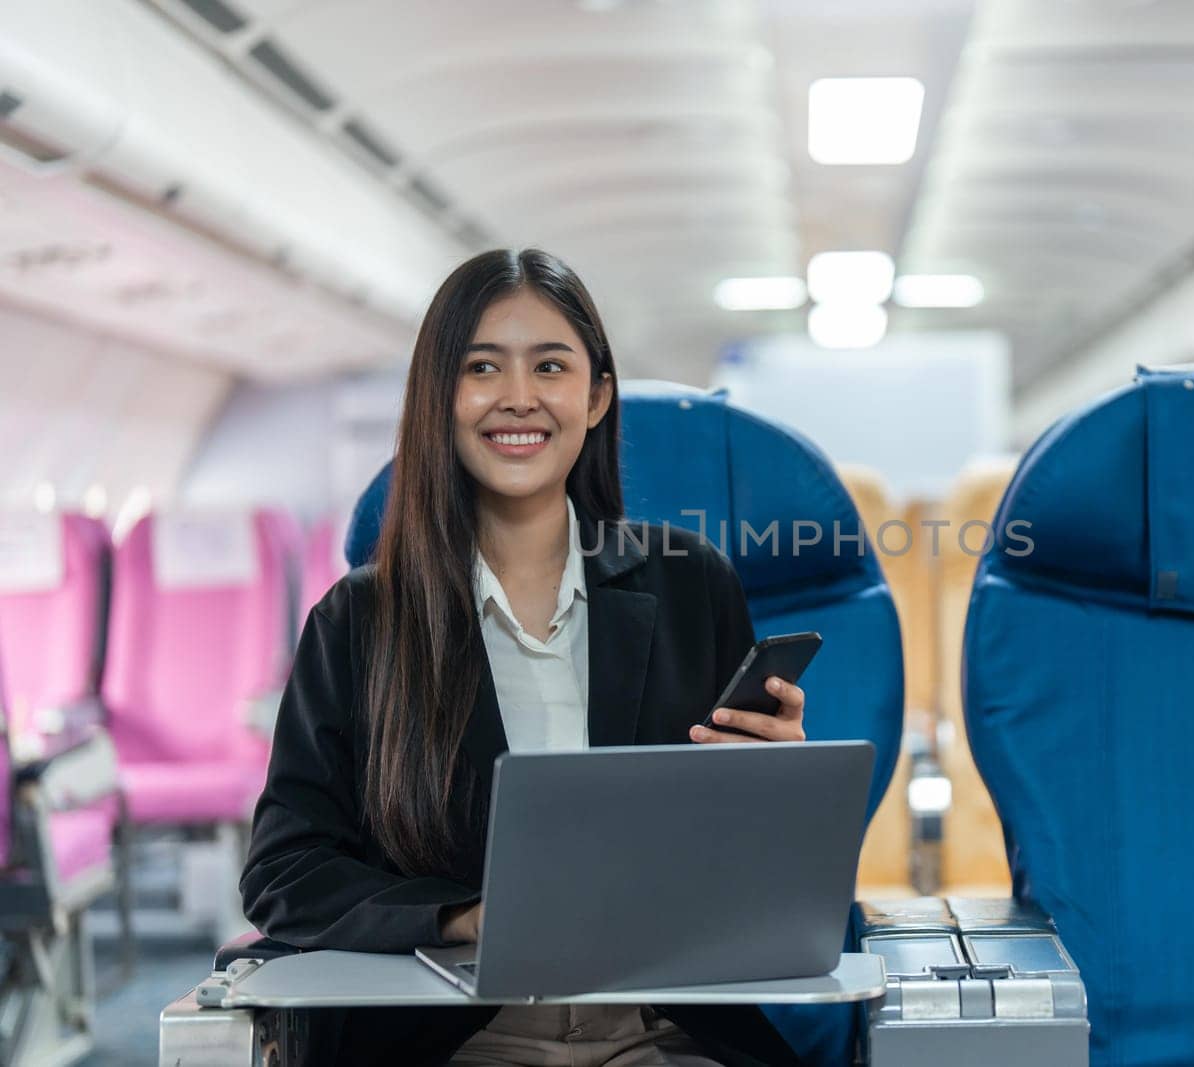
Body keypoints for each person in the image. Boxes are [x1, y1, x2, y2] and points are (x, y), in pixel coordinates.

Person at [240, 249, 807, 1067]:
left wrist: (778, 787)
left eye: (550, 366)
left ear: (596, 394)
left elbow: (749, 879)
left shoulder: (694, 586)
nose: (519, 397)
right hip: (453, 1028)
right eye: (481, 368)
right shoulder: (360, 621)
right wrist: (461, 916)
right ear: (441, 397)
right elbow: (285, 869)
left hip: (661, 1027)